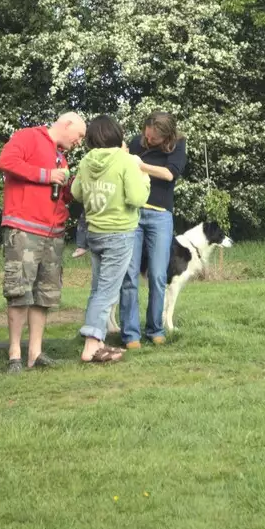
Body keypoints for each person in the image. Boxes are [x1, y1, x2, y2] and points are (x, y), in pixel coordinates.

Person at [0, 111, 86, 374]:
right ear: (66, 124)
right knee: (18, 291)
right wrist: (46, 175)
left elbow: (65, 195)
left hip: (54, 233)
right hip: (24, 228)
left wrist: (75, 185)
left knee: (44, 295)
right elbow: (6, 161)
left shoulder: (62, 156)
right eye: (79, 135)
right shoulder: (28, 136)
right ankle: (14, 355)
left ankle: (35, 354)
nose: (79, 142)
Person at [69, 114, 149, 364]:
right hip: (119, 233)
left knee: (98, 289)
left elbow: (76, 193)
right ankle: (92, 344)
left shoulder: (85, 161)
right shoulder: (125, 160)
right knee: (107, 290)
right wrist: (144, 179)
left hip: (95, 233)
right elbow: (137, 198)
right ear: (117, 134)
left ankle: (99, 341)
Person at [118, 111, 187, 349]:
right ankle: (130, 334)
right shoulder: (137, 142)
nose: (148, 141)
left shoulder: (178, 145)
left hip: (160, 216)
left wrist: (140, 165)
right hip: (133, 213)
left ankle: (155, 329)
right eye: (146, 136)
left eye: (154, 139)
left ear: (167, 137)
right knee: (129, 276)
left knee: (158, 275)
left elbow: (170, 174)